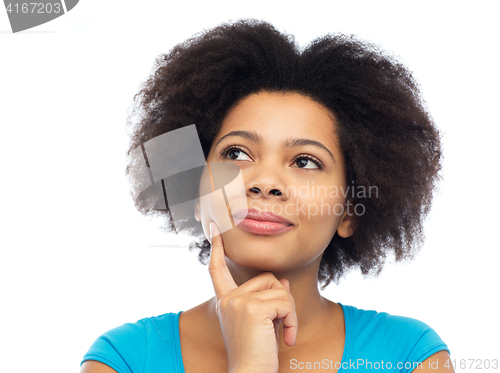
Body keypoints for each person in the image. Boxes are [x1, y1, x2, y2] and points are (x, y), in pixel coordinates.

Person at [80, 19, 453, 373]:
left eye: (305, 161)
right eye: (236, 154)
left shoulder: (409, 356)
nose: (265, 182)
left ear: (349, 212)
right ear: (196, 190)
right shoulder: (124, 360)